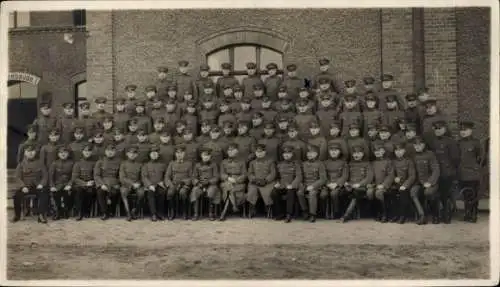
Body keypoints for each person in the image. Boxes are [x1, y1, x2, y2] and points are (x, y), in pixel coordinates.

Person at [427, 120, 459, 224]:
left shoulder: (451, 141)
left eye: (440, 128)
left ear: (445, 129)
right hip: (434, 173)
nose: (438, 131)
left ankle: (446, 214)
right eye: (436, 129)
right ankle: (436, 215)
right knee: (433, 194)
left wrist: (451, 170)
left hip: (446, 172)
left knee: (445, 194)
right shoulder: (432, 141)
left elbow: (455, 159)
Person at [12, 145, 49, 223]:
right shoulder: (21, 164)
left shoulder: (40, 163)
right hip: (25, 187)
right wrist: (22, 186)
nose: (31, 153)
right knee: (16, 196)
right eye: (28, 152)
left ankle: (41, 215)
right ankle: (17, 215)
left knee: (44, 194)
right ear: (25, 153)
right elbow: (17, 177)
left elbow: (45, 175)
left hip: (37, 186)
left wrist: (41, 184)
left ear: (35, 153)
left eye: (32, 151)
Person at [410, 137, 440, 224]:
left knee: (428, 192)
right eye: (415, 145)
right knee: (413, 192)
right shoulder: (413, 156)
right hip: (419, 182)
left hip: (431, 183)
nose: (417, 147)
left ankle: (435, 215)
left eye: (419, 145)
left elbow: (436, 170)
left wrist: (430, 182)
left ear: (423, 145)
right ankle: (422, 215)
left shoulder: (430, 154)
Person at [341, 145, 374, 223]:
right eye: (354, 153)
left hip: (361, 187)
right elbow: (345, 176)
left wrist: (359, 184)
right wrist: (345, 183)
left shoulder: (367, 164)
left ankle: (346, 215)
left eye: (359, 153)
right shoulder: (349, 164)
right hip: (350, 186)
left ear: (362, 154)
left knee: (356, 193)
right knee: (342, 193)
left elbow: (369, 177)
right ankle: (349, 214)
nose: (356, 155)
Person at [457, 121, 482, 222]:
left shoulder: (476, 143)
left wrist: (476, 167)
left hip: (472, 173)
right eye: (461, 130)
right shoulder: (459, 143)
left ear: (471, 130)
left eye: (465, 130)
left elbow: (480, 158)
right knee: (466, 194)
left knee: (473, 194)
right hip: (462, 172)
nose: (463, 132)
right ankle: (467, 213)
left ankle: (474, 214)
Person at [297, 145, 327, 222]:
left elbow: (323, 179)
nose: (309, 154)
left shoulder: (320, 164)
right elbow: (300, 176)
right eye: (308, 152)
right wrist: (301, 184)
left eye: (312, 153)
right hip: (305, 184)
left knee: (312, 193)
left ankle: (312, 214)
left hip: (317, 186)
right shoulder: (303, 164)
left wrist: (313, 186)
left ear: (316, 154)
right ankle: (305, 211)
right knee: (299, 193)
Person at [272, 146, 302, 223]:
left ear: (292, 154)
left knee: (290, 193)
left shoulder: (296, 164)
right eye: (285, 153)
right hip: (282, 186)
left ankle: (289, 214)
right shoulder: (279, 164)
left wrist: (292, 185)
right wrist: (277, 183)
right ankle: (280, 213)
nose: (286, 155)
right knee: (274, 192)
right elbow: (277, 177)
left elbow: (299, 177)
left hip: (292, 186)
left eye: (289, 153)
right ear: (282, 155)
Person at [247, 144, 277, 218]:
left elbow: (273, 173)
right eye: (257, 152)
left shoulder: (270, 161)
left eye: (261, 152)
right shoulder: (252, 162)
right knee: (252, 191)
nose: (259, 153)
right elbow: (250, 173)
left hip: (267, 182)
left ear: (265, 152)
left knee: (267, 191)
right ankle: (252, 209)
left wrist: (266, 180)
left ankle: (268, 208)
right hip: (255, 182)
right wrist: (254, 179)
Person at [366, 143, 395, 222]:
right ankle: (376, 212)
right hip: (375, 184)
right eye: (375, 151)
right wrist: (370, 183)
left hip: (385, 185)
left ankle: (385, 214)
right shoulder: (373, 163)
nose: (377, 152)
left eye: (379, 150)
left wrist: (384, 185)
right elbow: (371, 175)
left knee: (378, 193)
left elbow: (390, 176)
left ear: (383, 151)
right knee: (369, 192)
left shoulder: (388, 162)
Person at [164, 145, 194, 220]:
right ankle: (172, 212)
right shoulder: (172, 163)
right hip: (174, 184)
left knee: (182, 193)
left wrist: (184, 183)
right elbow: (167, 177)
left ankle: (184, 212)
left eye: (181, 153)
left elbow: (192, 177)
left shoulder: (189, 164)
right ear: (175, 154)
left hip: (184, 185)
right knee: (170, 193)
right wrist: (170, 185)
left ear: (184, 154)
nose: (179, 155)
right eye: (177, 153)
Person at [191, 148, 221, 221]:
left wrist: (209, 182)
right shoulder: (197, 165)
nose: (206, 157)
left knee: (211, 191)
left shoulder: (214, 165)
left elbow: (216, 177)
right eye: (204, 155)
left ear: (210, 156)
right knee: (195, 191)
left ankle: (211, 213)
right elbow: (194, 177)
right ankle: (196, 214)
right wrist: (198, 183)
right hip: (200, 185)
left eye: (208, 155)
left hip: (211, 184)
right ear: (201, 156)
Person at [94, 143, 122, 220]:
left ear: (115, 152)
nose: (110, 152)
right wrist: (102, 184)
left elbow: (121, 175)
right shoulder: (100, 162)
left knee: (115, 192)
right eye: (108, 150)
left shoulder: (119, 162)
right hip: (103, 182)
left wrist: (118, 183)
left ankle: (111, 210)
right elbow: (96, 175)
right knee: (100, 192)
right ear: (105, 152)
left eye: (112, 150)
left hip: (114, 183)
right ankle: (104, 212)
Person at [220, 143, 248, 220]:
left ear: (237, 151)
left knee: (230, 189)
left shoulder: (242, 161)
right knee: (228, 186)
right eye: (229, 150)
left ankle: (224, 212)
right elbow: (221, 174)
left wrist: (236, 180)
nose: (230, 152)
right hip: (226, 181)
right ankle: (234, 206)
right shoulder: (224, 162)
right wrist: (228, 178)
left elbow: (244, 174)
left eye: (232, 150)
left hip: (238, 182)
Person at [322, 142, 349, 219]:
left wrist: (337, 184)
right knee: (323, 195)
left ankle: (337, 212)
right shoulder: (325, 163)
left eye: (336, 150)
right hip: (327, 184)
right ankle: (324, 213)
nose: (333, 152)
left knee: (334, 194)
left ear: (339, 152)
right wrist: (328, 183)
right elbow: (323, 176)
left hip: (339, 185)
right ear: (329, 152)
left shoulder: (343, 163)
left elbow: (345, 176)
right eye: (331, 150)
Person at [141, 145, 168, 222]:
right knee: (150, 193)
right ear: (149, 155)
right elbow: (144, 177)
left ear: (158, 154)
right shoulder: (146, 165)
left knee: (162, 192)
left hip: (159, 184)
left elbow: (166, 175)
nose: (154, 155)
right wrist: (149, 185)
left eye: (156, 153)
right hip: (150, 185)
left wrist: (163, 182)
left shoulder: (163, 165)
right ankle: (153, 214)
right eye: (152, 153)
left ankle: (160, 213)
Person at [391, 142, 416, 224]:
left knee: (403, 193)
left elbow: (412, 176)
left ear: (404, 151)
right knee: (390, 192)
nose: (398, 152)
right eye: (396, 150)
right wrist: (394, 178)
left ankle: (403, 215)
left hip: (407, 184)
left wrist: (405, 185)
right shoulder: (393, 162)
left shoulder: (408, 161)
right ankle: (395, 214)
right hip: (396, 184)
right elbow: (391, 174)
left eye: (400, 150)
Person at [49, 145, 75, 220]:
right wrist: (52, 186)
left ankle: (66, 211)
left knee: (68, 193)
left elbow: (74, 176)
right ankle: (58, 211)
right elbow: (51, 176)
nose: (63, 154)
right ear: (58, 154)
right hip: (58, 184)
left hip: (68, 183)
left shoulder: (72, 163)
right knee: (55, 193)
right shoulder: (54, 163)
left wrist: (70, 184)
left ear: (68, 154)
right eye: (61, 153)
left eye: (65, 152)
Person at [119, 145, 144, 221]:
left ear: (136, 155)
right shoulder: (123, 164)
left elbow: (142, 177)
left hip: (138, 185)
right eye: (130, 153)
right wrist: (132, 184)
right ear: (127, 154)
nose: (132, 155)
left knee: (141, 193)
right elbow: (122, 177)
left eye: (134, 153)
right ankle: (128, 213)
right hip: (126, 185)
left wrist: (139, 183)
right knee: (123, 192)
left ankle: (134, 211)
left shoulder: (140, 164)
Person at [71, 144, 96, 221]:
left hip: (91, 184)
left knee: (90, 192)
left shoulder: (94, 163)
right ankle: (79, 212)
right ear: (82, 152)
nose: (87, 153)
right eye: (85, 151)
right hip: (80, 184)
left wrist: (92, 182)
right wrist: (84, 184)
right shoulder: (78, 163)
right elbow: (75, 178)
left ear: (91, 152)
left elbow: (96, 175)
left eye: (89, 151)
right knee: (79, 191)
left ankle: (87, 211)